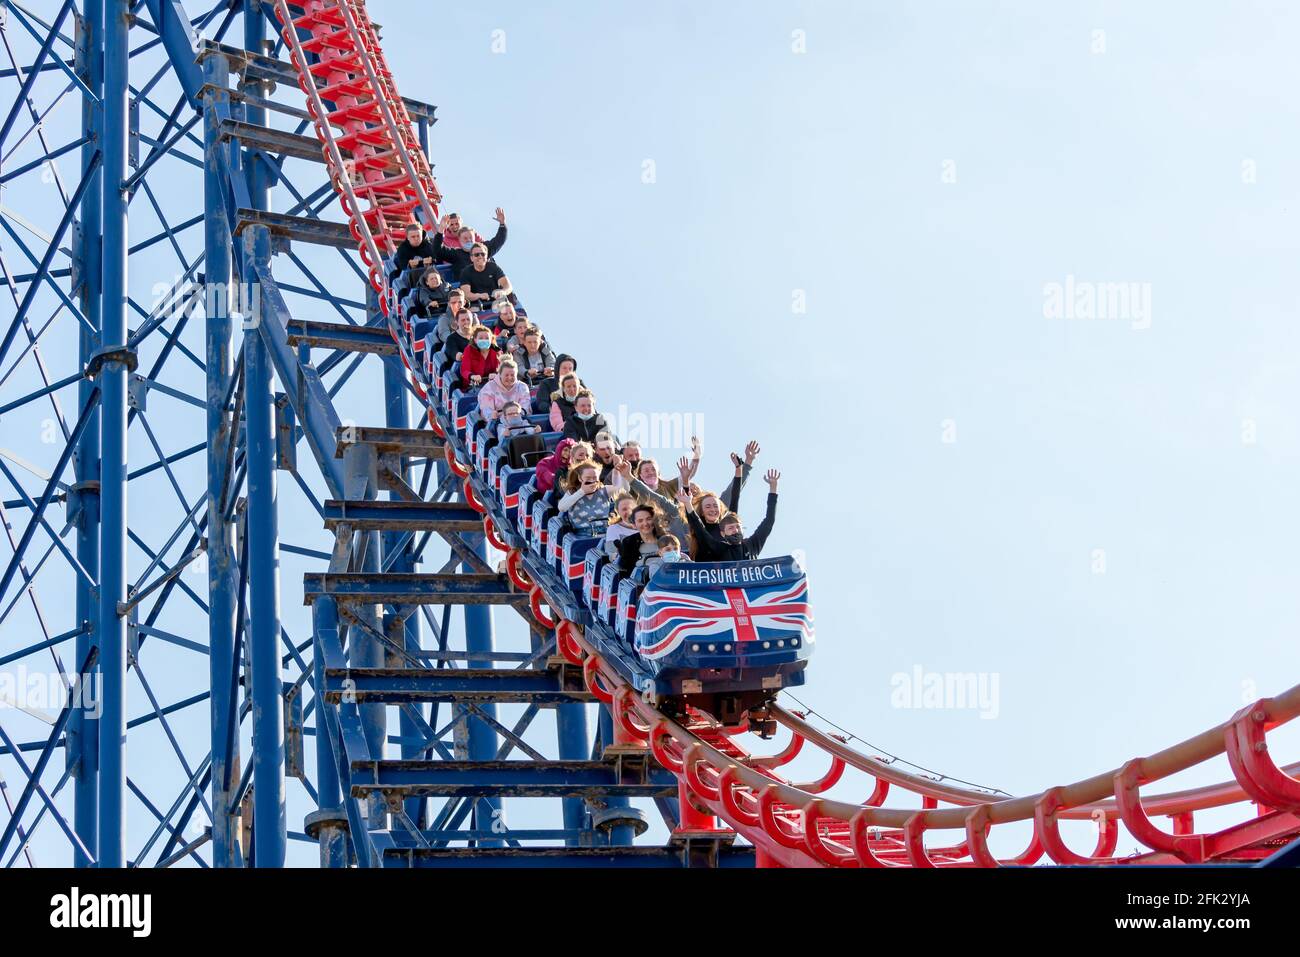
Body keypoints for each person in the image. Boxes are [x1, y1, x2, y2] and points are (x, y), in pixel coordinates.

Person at [680, 469, 781, 561]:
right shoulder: (721, 549)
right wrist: (687, 500)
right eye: (731, 528)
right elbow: (699, 528)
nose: (735, 530)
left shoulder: (752, 545)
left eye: (737, 527)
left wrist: (773, 488)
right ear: (722, 534)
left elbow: (769, 521)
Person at [433, 208, 507, 273]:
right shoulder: (456, 253)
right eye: (465, 238)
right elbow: (438, 250)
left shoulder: (482, 249)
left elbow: (498, 240)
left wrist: (502, 224)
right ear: (460, 240)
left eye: (471, 238)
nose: (468, 240)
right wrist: (441, 229)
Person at [557, 464, 615, 538]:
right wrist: (582, 492)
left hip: (605, 533)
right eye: (588, 478)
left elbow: (624, 489)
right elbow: (561, 507)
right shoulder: (573, 492)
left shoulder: (604, 490)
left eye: (594, 478)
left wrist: (619, 473)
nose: (592, 481)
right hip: (581, 535)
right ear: (580, 478)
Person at [616, 503, 666, 576]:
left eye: (648, 519)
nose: (645, 523)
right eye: (640, 521)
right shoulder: (628, 542)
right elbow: (624, 572)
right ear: (634, 525)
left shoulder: (665, 539)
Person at [437, 308, 476, 376]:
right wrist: (461, 355)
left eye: (468, 319)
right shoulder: (451, 339)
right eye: (463, 320)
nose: (466, 322)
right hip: (461, 373)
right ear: (457, 322)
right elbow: (455, 354)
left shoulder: (478, 334)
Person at [603, 492, 638, 560]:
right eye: (624, 509)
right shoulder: (613, 529)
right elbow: (611, 555)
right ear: (618, 512)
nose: (629, 512)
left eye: (632, 509)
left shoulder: (646, 526)